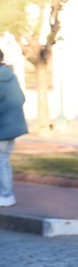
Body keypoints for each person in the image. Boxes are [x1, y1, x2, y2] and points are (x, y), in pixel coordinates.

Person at [0, 47, 28, 208]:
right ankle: (5, 193)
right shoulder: (10, 76)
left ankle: (6, 194)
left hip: (3, 128)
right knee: (4, 160)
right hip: (13, 127)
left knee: (2, 161)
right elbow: (21, 98)